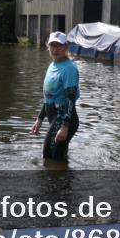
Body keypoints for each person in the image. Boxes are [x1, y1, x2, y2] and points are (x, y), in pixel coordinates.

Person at [30, 31, 80, 162]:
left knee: (48, 155)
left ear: (66, 47)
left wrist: (64, 126)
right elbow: (49, 97)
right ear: (48, 47)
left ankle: (58, 181)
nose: (55, 49)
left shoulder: (69, 69)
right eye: (52, 45)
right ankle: (64, 180)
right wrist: (40, 119)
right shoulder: (52, 65)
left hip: (64, 118)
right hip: (54, 117)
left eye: (59, 46)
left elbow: (71, 100)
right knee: (57, 156)